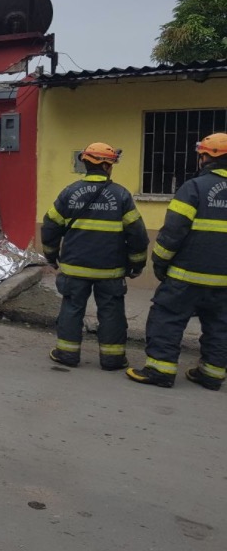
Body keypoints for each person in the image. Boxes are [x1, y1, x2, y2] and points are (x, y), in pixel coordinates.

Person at [126, 132, 227, 391]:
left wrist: (160, 263)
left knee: (167, 317)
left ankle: (160, 370)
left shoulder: (194, 188)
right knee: (220, 325)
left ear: (205, 157)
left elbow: (173, 232)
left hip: (186, 276)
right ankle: (212, 374)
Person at [41, 142, 150, 370]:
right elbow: (137, 233)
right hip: (110, 270)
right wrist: (137, 263)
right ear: (108, 166)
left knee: (72, 308)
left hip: (74, 268)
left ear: (86, 164)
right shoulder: (121, 195)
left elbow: (50, 225)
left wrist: (51, 256)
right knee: (111, 312)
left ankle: (67, 354)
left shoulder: (69, 192)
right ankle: (113, 359)